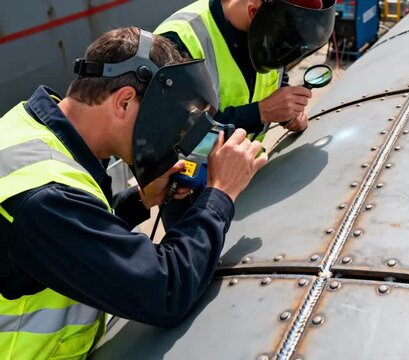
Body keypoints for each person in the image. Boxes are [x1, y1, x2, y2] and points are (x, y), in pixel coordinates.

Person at [0, 27, 267, 359]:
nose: (171, 136)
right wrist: (220, 192)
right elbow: (165, 291)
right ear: (124, 101)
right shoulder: (43, 196)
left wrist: (139, 202)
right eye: (167, 119)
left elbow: (70, 237)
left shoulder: (29, 129)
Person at [155, 0, 334, 227]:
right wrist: (260, 112)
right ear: (253, 10)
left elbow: (276, 77)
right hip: (190, 192)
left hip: (244, 177)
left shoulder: (268, 30)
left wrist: (287, 109)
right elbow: (172, 134)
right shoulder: (180, 39)